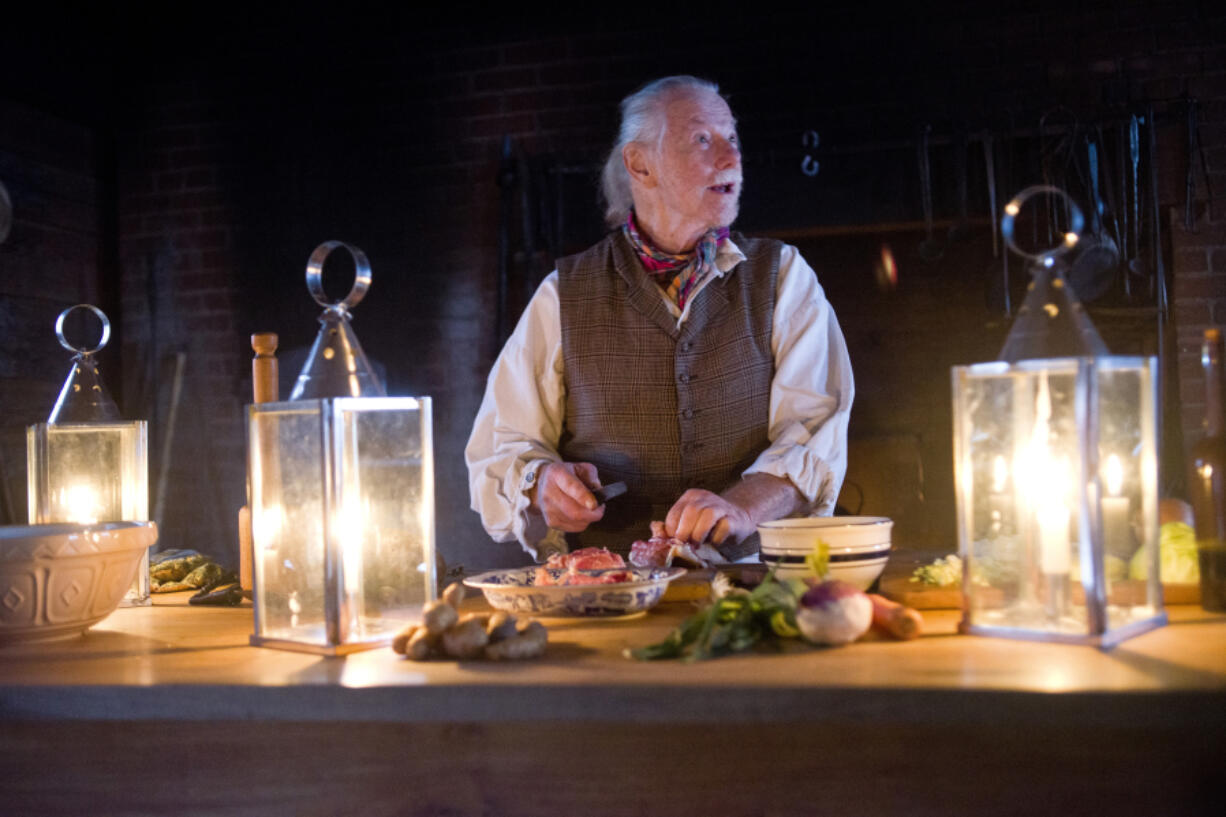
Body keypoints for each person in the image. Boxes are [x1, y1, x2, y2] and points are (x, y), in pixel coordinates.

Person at [465, 75, 853, 562]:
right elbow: (500, 449)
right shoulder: (563, 295)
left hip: (751, 587)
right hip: (607, 593)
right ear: (640, 164)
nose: (731, 158)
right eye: (702, 139)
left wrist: (743, 509)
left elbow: (816, 431)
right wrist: (542, 485)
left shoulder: (783, 278)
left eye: (732, 138)